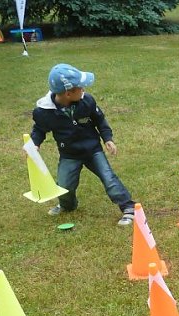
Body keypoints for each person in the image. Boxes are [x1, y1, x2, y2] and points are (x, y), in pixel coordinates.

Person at [29, 64, 135, 226]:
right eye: (81, 87)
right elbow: (39, 129)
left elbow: (100, 119)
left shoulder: (87, 101)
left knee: (109, 178)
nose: (84, 89)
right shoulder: (44, 112)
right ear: (68, 93)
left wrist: (107, 138)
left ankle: (128, 207)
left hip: (93, 150)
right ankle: (67, 205)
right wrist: (34, 143)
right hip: (69, 154)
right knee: (64, 185)